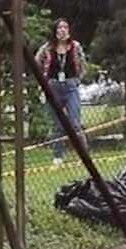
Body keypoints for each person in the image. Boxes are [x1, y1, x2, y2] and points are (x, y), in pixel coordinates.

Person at [35, 19, 84, 167]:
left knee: (75, 122)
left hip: (70, 86)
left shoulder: (75, 47)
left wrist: (77, 80)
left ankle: (82, 154)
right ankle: (57, 156)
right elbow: (36, 63)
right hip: (53, 86)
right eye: (60, 27)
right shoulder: (47, 48)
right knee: (56, 124)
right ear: (55, 31)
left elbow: (82, 64)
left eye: (65, 27)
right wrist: (42, 84)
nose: (63, 30)